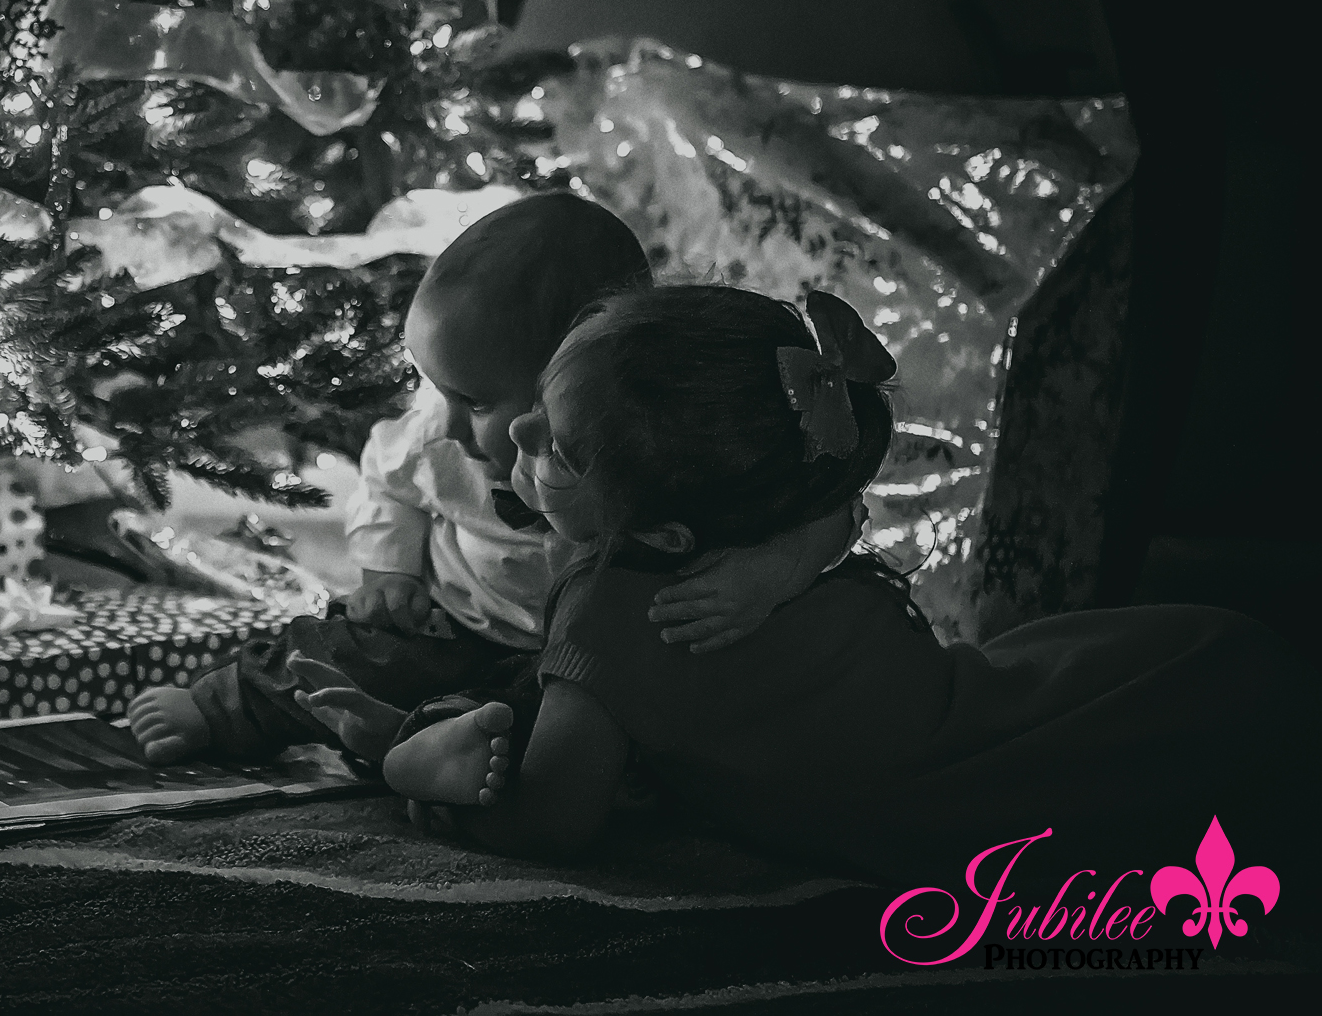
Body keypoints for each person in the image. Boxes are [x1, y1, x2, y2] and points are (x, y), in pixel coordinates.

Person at [355, 285, 1314, 883]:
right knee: (1217, 669)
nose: (515, 435)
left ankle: (416, 755)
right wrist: (781, 563)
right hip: (943, 713)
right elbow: (835, 505)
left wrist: (451, 805)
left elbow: (559, 818)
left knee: (1193, 714)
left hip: (934, 760)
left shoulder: (610, 610)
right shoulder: (771, 486)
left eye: (554, 445)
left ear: (666, 532)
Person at [127, 194, 860, 766]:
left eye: (474, 401)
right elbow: (389, 484)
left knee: (584, 735)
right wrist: (392, 573)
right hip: (448, 625)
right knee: (337, 655)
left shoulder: (654, 444)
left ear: (575, 383)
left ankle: (435, 750)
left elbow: (822, 508)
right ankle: (225, 705)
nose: (443, 422)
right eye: (435, 388)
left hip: (586, 669)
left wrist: (767, 574)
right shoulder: (436, 432)